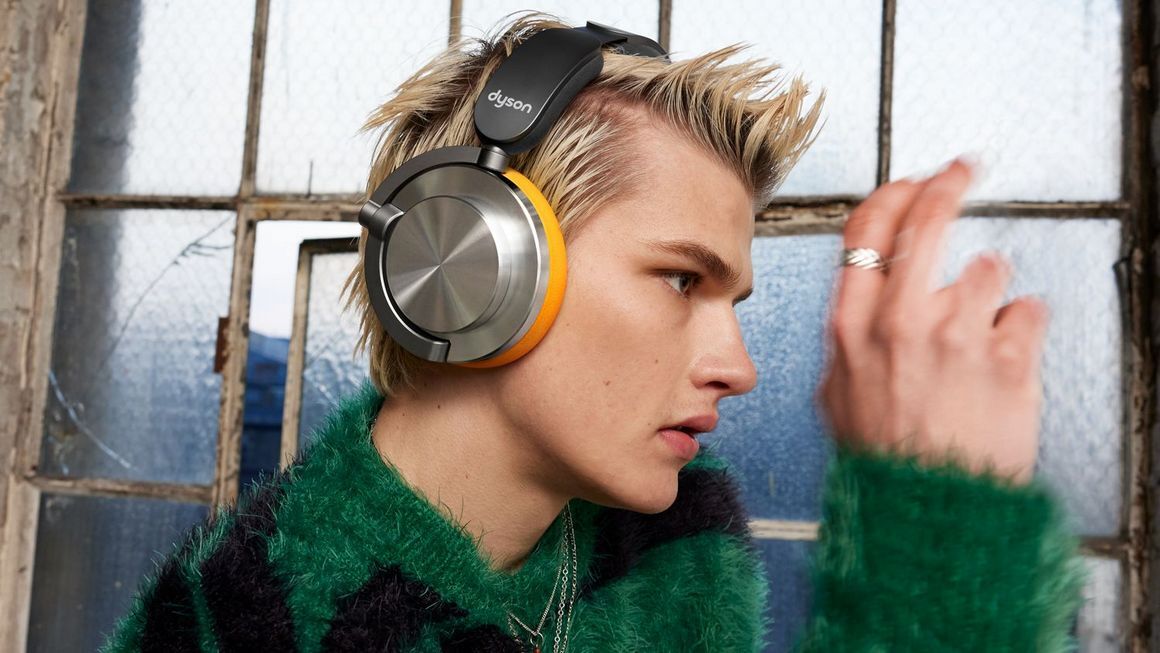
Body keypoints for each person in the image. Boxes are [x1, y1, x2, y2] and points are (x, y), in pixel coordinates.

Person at [101, 13, 1085, 653]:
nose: (738, 367)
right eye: (681, 278)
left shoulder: (668, 547)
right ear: (475, 268)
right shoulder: (264, 623)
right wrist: (938, 545)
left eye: (733, 299)